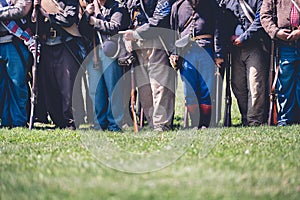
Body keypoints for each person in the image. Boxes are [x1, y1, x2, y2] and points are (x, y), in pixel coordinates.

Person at [119, 0, 177, 131]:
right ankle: (152, 123)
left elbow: (159, 21)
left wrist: (135, 34)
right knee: (144, 88)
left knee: (160, 85)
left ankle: (161, 124)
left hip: (157, 42)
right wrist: (127, 37)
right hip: (137, 45)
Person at [169, 0, 224, 129]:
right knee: (189, 91)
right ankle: (195, 123)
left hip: (206, 50)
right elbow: (174, 32)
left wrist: (218, 54)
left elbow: (217, 30)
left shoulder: (211, 4)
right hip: (186, 52)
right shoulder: (177, 6)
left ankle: (204, 123)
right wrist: (174, 53)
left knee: (207, 90)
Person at [78, 0, 128, 131]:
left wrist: (95, 22)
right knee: (95, 90)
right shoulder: (91, 8)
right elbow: (82, 30)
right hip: (93, 51)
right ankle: (99, 124)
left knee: (114, 89)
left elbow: (114, 26)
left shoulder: (117, 7)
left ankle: (114, 124)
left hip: (111, 52)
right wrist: (86, 15)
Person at [33, 0, 82, 130]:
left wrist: (46, 14)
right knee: (50, 85)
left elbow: (68, 19)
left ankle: (71, 121)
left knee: (68, 86)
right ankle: (58, 120)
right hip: (46, 45)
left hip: (65, 44)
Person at [221, 0, 270, 126]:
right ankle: (245, 117)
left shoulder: (258, 1)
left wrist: (243, 37)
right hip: (234, 49)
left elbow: (260, 21)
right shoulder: (227, 2)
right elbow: (222, 22)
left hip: (254, 46)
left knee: (255, 85)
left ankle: (254, 120)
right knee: (238, 85)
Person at [261, 0, 300, 126]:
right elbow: (265, 16)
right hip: (285, 43)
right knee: (285, 83)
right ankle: (286, 119)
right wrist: (276, 32)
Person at [0, 0, 32, 128]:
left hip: (15, 42)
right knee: (1, 86)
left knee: (17, 84)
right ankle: (5, 120)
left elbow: (20, 10)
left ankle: (18, 120)